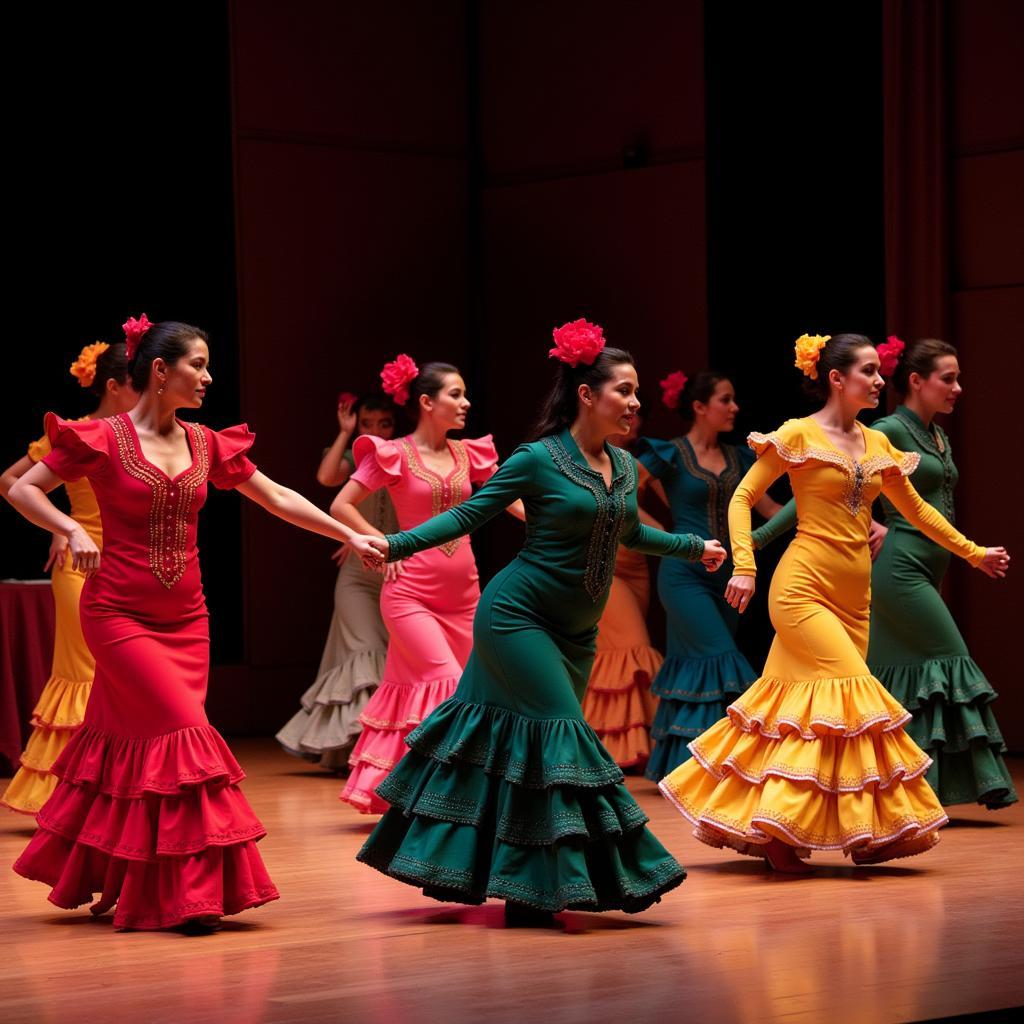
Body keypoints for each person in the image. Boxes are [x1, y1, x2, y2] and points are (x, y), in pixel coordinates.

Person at [8, 315, 381, 930]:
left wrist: (346, 532)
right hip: (118, 614)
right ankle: (189, 894)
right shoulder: (100, 438)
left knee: (136, 752)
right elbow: (21, 489)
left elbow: (278, 497)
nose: (209, 377)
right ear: (160, 371)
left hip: (187, 619)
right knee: (183, 735)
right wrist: (69, 526)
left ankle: (137, 879)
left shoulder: (207, 443)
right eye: (198, 365)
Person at [356, 319, 727, 923]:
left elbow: (631, 533)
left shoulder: (626, 469)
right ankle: (606, 874)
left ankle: (526, 889)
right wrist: (395, 546)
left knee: (529, 760)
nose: (636, 404)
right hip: (516, 617)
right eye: (625, 390)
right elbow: (470, 514)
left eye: (637, 393)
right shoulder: (537, 459)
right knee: (563, 736)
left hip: (576, 634)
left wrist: (694, 547)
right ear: (587, 394)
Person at [658, 333, 1008, 872]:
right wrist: (746, 568)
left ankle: (789, 828)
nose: (877, 381)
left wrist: (972, 552)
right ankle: (866, 831)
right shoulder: (798, 434)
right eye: (867, 371)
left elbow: (916, 512)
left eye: (878, 372)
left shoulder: (878, 443)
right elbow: (744, 498)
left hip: (855, 600)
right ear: (836, 379)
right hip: (803, 589)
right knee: (857, 701)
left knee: (796, 718)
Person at [332, 357, 504, 813]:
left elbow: (513, 501)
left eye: (466, 394)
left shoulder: (471, 453)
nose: (466, 403)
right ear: (427, 402)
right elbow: (341, 505)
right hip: (410, 595)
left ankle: (414, 792)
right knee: (446, 686)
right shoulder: (395, 454)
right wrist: (383, 543)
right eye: (455, 394)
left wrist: (557, 520)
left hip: (466, 597)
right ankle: (448, 796)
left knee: (467, 691)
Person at [866, 337, 1017, 808]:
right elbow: (840, 483)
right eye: (947, 379)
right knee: (950, 661)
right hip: (900, 571)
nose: (958, 388)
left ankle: (903, 788)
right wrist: (874, 523)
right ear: (916, 381)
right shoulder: (888, 428)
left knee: (902, 683)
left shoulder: (935, 434)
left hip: (927, 570)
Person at [1, 341, 137, 813]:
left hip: (131, 567)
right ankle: (71, 795)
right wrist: (61, 526)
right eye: (139, 385)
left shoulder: (145, 435)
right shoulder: (76, 434)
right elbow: (11, 482)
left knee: (123, 680)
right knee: (85, 675)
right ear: (115, 387)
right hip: (81, 565)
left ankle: (113, 789)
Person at [636, 370, 786, 780]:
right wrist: (665, 537)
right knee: (719, 658)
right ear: (700, 407)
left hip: (731, 578)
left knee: (696, 665)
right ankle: (720, 764)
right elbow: (622, 498)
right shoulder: (667, 453)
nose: (735, 407)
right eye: (725, 399)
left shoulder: (739, 457)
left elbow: (770, 509)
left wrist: (823, 508)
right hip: (683, 574)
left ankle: (682, 764)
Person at [275, 392, 400, 769]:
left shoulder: (407, 456)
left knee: (392, 662)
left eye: (384, 424)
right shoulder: (356, 455)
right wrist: (346, 434)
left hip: (398, 571)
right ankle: (368, 754)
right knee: (366, 653)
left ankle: (373, 753)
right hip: (358, 575)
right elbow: (326, 478)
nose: (375, 431)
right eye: (367, 423)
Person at [580, 414, 664, 769]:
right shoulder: (583, 461)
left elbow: (684, 500)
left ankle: (604, 748)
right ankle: (620, 749)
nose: (637, 419)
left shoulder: (636, 465)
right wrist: (661, 531)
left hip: (637, 568)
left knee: (611, 651)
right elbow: (632, 515)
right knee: (631, 648)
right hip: (602, 566)